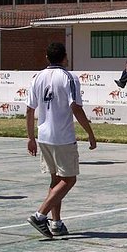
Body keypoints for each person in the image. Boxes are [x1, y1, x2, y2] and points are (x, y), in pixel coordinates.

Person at [26, 42, 97, 238]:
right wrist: (90, 133)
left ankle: (56, 223)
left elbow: (29, 109)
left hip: (44, 135)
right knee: (69, 179)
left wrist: (31, 138)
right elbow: (75, 107)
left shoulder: (37, 77)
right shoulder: (69, 77)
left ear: (47, 57)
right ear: (65, 57)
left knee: (55, 179)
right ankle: (40, 215)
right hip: (63, 136)